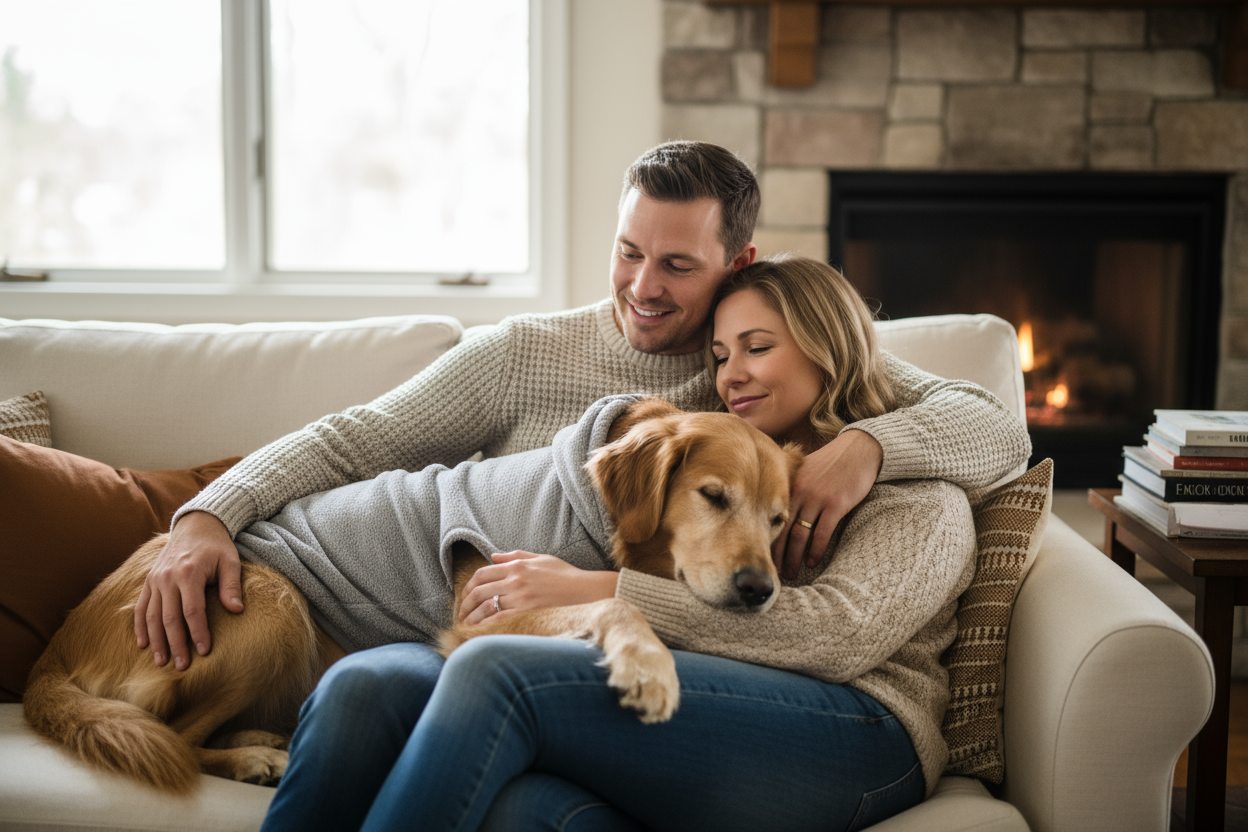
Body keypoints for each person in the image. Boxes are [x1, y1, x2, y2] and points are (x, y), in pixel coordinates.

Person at [134, 141, 1028, 829]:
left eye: (679, 266)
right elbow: (358, 437)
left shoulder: (881, 438)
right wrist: (209, 512)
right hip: (500, 619)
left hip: (797, 702)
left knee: (497, 679)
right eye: (629, 252)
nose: (644, 287)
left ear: (739, 265)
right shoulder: (541, 360)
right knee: (374, 697)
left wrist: (867, 448)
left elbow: (992, 424)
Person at [326, 254, 997, 832]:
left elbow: (839, 636)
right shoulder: (747, 450)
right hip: (731, 698)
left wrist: (607, 592)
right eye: (721, 355)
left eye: (758, 347)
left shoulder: (924, 489)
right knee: (386, 697)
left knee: (492, 672)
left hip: (866, 733)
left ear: (829, 349)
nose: (731, 374)